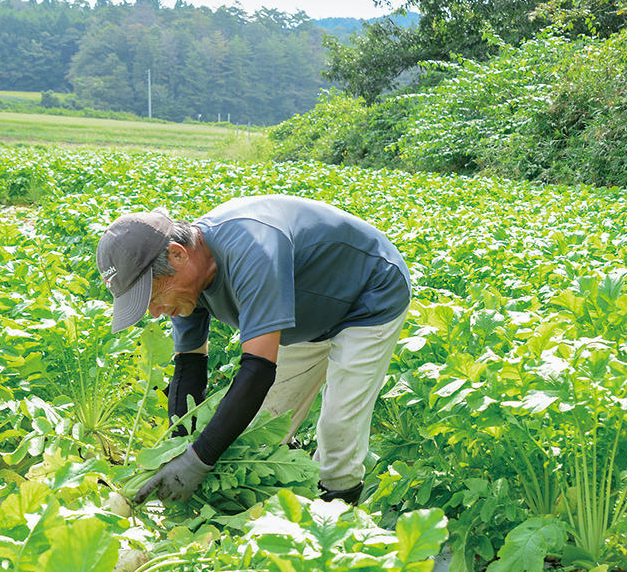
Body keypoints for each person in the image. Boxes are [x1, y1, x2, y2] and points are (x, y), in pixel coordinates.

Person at [96, 195, 411, 506]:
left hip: (369, 295)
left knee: (339, 428)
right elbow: (189, 367)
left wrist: (198, 461)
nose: (153, 312)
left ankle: (338, 512)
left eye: (151, 296)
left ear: (177, 255)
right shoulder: (185, 284)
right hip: (304, 313)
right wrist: (179, 449)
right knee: (266, 425)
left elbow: (258, 371)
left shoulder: (251, 246)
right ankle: (294, 478)